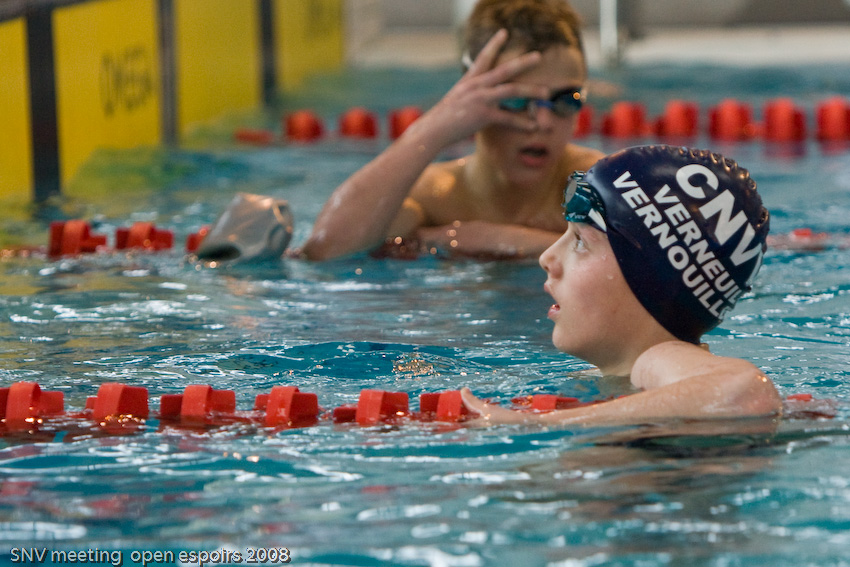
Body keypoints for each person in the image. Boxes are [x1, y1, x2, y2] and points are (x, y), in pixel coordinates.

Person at [460, 144, 784, 425]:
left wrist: (534, 423)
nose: (547, 257)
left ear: (652, 279)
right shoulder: (627, 379)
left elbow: (747, 394)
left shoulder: (659, 357)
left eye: (580, 241)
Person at [301, 0, 604, 261]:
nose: (543, 122)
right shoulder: (434, 199)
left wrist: (493, 238)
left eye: (566, 100)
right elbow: (326, 250)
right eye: (516, 98)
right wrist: (435, 128)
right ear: (470, 96)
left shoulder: (599, 185)